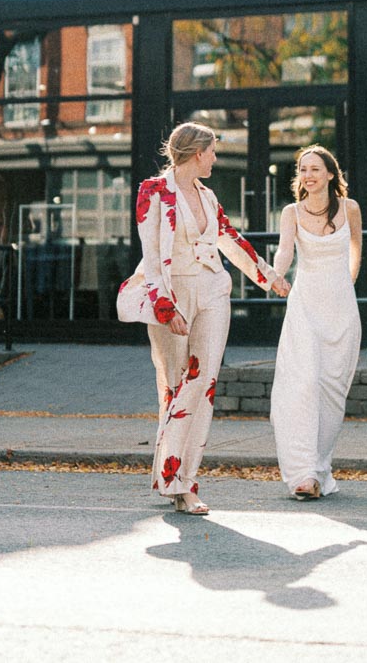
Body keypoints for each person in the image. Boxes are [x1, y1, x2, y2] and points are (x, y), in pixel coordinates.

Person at [118, 121, 290, 515]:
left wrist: (271, 279)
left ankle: (185, 482)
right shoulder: (153, 192)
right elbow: (150, 256)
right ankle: (172, 478)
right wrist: (165, 307)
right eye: (212, 151)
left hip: (213, 290)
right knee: (176, 386)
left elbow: (231, 239)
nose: (215, 157)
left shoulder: (209, 197)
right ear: (198, 152)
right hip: (172, 293)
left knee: (202, 384)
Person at [270, 144, 362, 500]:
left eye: (314, 169)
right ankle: (303, 474)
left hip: (340, 308)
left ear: (329, 174)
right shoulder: (291, 212)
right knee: (304, 383)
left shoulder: (350, 208)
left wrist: (346, 285)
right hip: (305, 307)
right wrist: (275, 277)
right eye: (303, 170)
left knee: (332, 391)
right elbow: (284, 252)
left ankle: (320, 470)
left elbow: (356, 249)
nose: (307, 175)